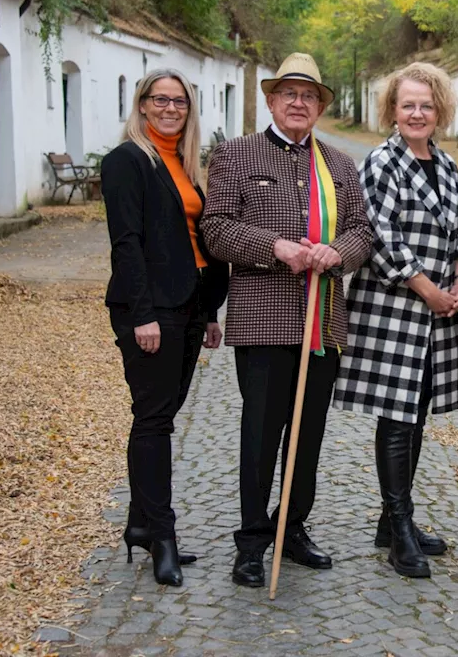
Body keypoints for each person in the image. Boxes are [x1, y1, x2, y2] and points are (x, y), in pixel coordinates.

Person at [199, 53, 374, 589]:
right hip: (263, 320)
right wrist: (276, 248)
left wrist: (335, 253)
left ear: (321, 106)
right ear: (271, 101)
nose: (299, 103)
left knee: (308, 434)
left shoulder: (340, 166)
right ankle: (252, 542)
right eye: (289, 94)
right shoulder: (235, 155)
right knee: (261, 436)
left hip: (322, 321)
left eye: (310, 96)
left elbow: (364, 233)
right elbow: (216, 229)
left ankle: (291, 527)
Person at [334, 63, 458, 579]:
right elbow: (380, 236)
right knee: (397, 414)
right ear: (392, 109)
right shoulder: (382, 162)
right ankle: (399, 530)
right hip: (394, 306)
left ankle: (392, 523)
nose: (417, 113)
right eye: (407, 104)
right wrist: (428, 288)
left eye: (426, 105)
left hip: (439, 313)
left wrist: (457, 278)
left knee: (420, 409)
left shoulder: (449, 165)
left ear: (440, 112)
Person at [102, 68, 230, 587]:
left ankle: (140, 520)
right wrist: (144, 315)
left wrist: (210, 312)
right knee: (154, 419)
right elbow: (126, 242)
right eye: (161, 99)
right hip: (152, 308)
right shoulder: (126, 161)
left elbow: (195, 239)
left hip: (192, 304)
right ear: (142, 104)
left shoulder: (182, 162)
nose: (171, 108)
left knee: (164, 414)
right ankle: (163, 536)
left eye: (180, 101)